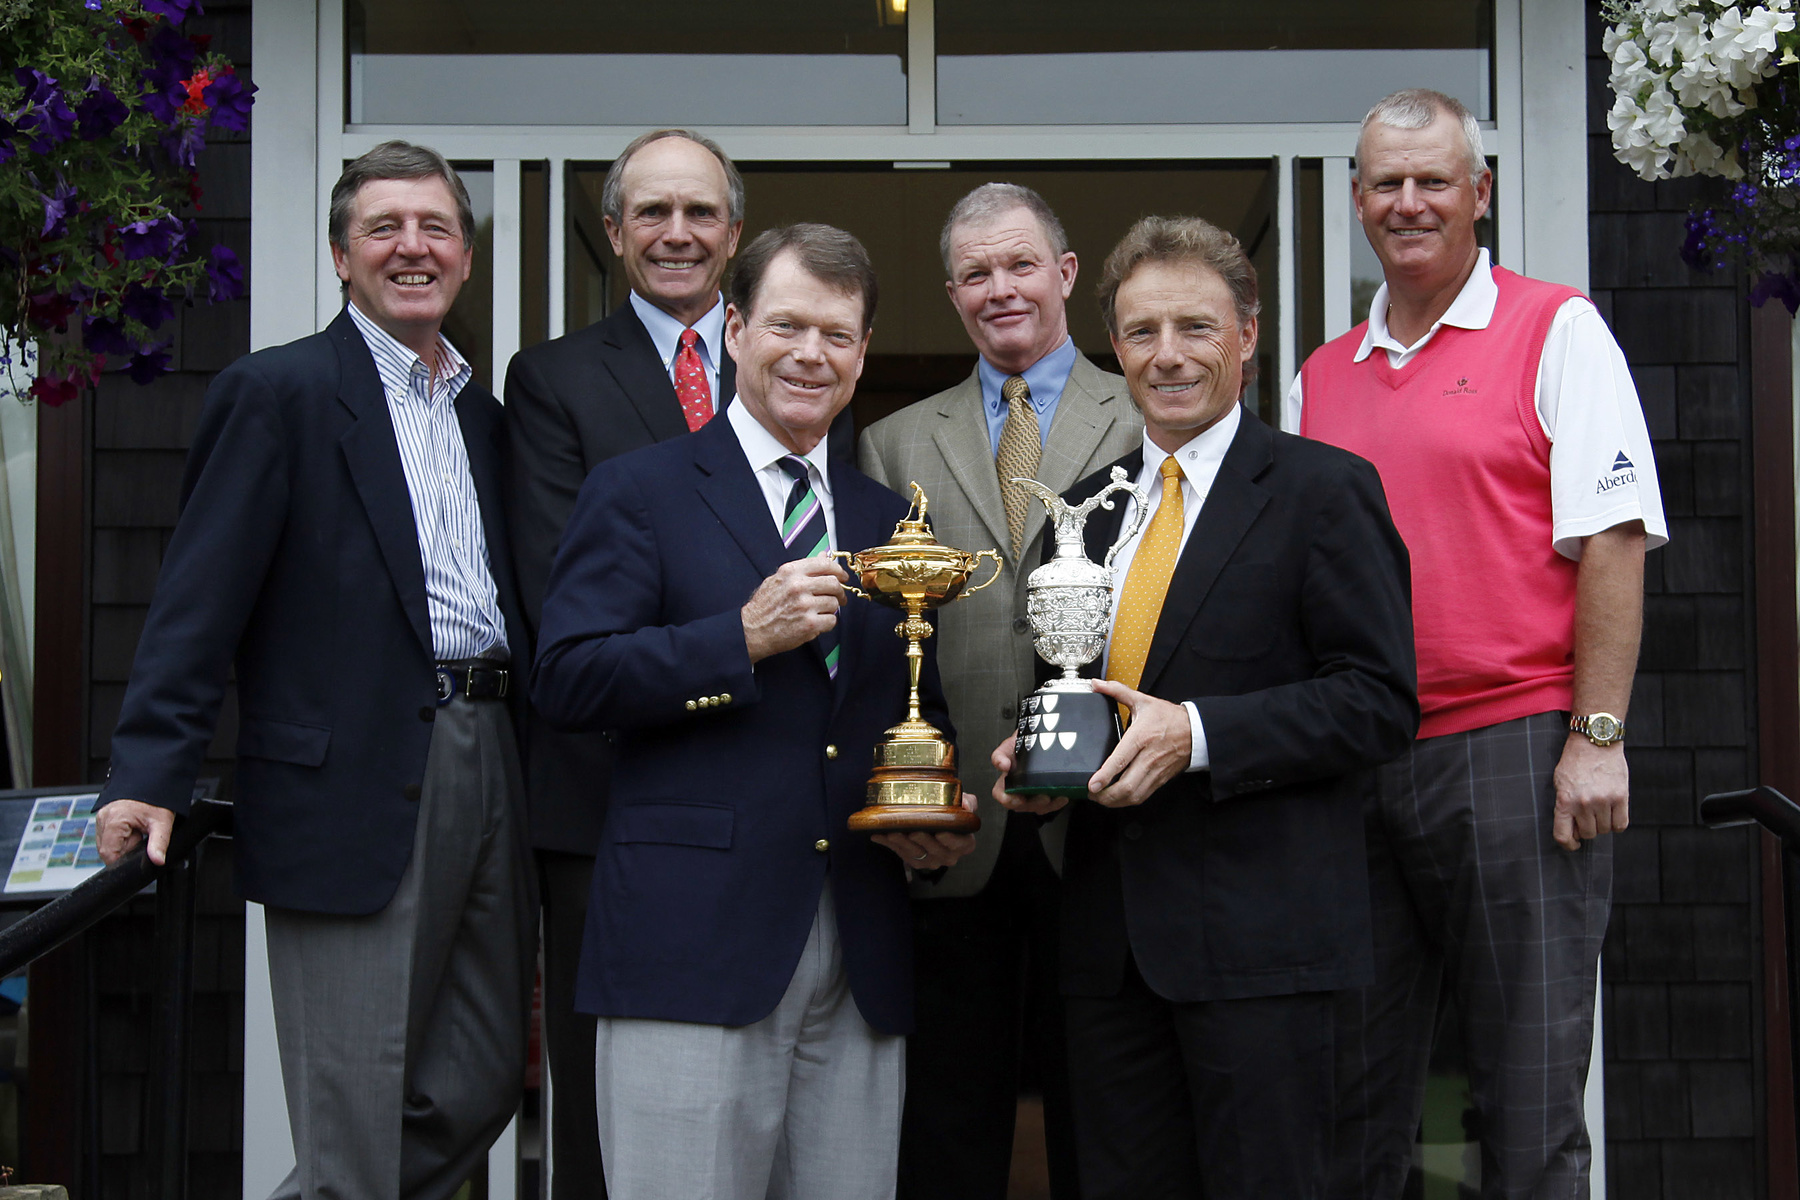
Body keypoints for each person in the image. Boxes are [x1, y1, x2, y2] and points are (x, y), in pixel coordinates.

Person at [93, 141, 534, 1200]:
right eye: (384, 228)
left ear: (467, 258)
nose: (412, 247)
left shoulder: (483, 414)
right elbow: (199, 602)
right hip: (347, 782)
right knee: (354, 1115)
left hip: (490, 756)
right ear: (342, 255)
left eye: (435, 228)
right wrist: (149, 773)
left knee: (482, 1082)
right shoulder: (276, 392)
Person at [532, 223, 977, 1200]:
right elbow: (566, 678)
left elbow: (917, 705)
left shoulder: (880, 522)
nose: (811, 354)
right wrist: (738, 638)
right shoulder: (638, 490)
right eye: (787, 326)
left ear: (862, 355)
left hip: (857, 947)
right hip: (688, 943)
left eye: (837, 334)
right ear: (734, 329)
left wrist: (926, 815)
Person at [1291, 88, 1667, 1199]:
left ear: (1480, 194)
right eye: (1387, 184)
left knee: (1528, 1101)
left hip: (1513, 751)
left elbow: (1613, 539)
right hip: (1358, 761)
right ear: (1357, 201)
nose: (1409, 203)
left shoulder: (1557, 328)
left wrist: (1596, 736)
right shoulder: (1321, 376)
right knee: (1354, 1102)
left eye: (1433, 182)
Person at [994, 214, 1419, 1200]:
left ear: (1246, 336)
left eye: (1195, 327)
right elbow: (1083, 683)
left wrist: (1197, 734)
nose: (1169, 355)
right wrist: (1047, 761)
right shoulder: (1089, 509)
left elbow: (1378, 703)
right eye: (1142, 332)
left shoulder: (1324, 491)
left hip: (1262, 954)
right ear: (1114, 345)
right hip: (1108, 950)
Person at [858, 182, 1141, 1199]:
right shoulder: (891, 442)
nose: (1000, 288)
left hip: (1105, 820)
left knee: (1104, 1117)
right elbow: (883, 642)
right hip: (953, 828)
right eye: (976, 273)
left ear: (1066, 275)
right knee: (948, 1121)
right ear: (952, 293)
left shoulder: (1143, 410)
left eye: (1021, 264)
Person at [502, 127, 745, 1197]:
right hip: (606, 796)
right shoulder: (552, 382)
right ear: (612, 233)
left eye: (700, 212)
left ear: (735, 233)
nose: (677, 234)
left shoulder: (790, 357)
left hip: (769, 781)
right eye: (653, 212)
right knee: (611, 1114)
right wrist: (741, 633)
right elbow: (569, 597)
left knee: (750, 1086)